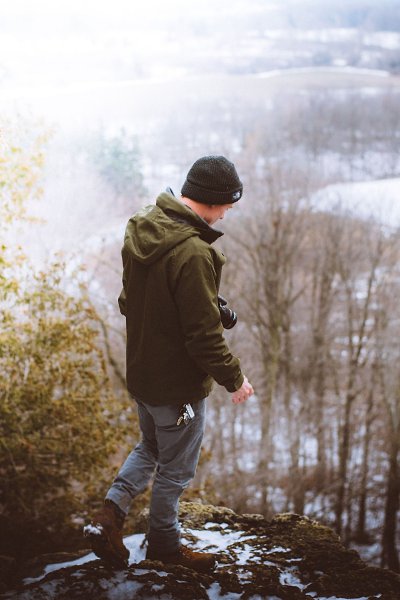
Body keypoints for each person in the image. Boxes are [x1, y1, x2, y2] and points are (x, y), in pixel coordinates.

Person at [84, 155, 254, 573]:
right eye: (228, 205)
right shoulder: (193, 252)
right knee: (175, 471)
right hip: (177, 389)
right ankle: (165, 546)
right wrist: (235, 379)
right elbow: (203, 338)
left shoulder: (145, 225)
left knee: (150, 446)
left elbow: (131, 300)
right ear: (212, 200)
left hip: (144, 375)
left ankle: (108, 515)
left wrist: (205, 301)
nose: (227, 213)